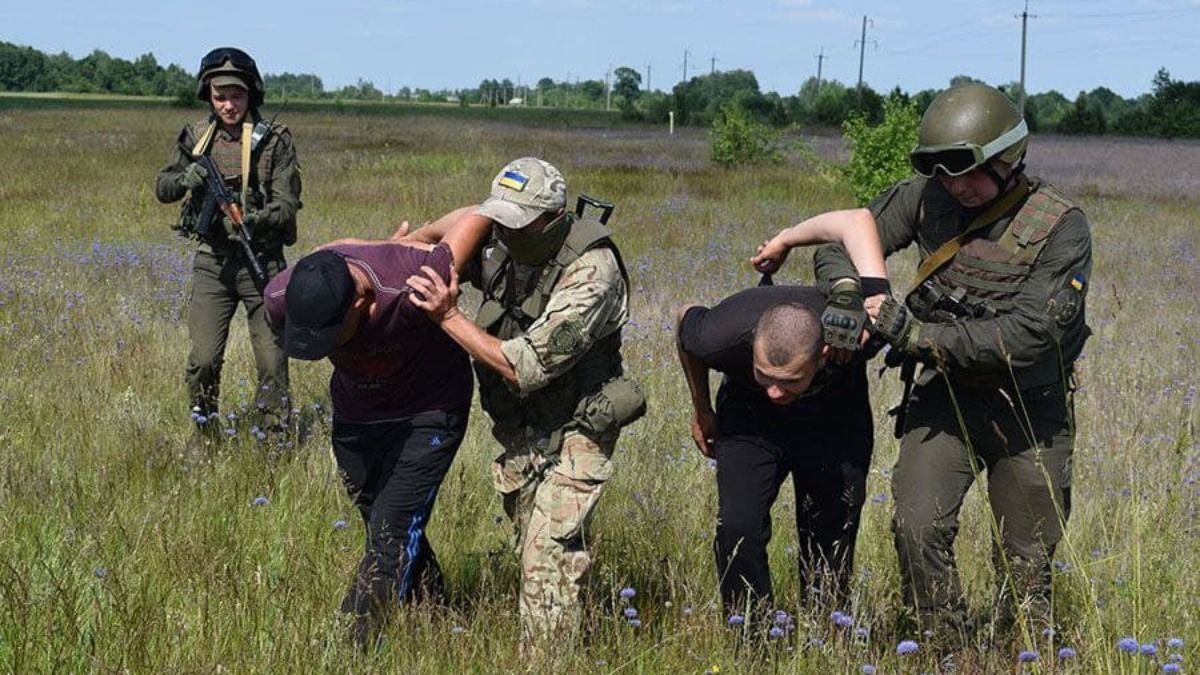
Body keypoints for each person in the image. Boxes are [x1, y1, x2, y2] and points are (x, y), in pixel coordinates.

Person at [812, 82, 1092, 643]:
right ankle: (947, 647)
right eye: (942, 170)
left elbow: (1031, 334)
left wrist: (913, 332)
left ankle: (1023, 651)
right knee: (916, 527)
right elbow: (843, 238)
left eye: (967, 171)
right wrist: (849, 291)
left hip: (1029, 409)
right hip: (945, 396)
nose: (954, 186)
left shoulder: (1061, 226)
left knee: (1028, 560)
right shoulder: (926, 197)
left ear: (1009, 160)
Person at [406, 157, 644, 654]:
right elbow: (466, 220)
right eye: (500, 218)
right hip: (522, 426)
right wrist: (421, 238)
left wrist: (448, 316)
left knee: (548, 559)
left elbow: (526, 365)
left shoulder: (592, 272)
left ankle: (545, 662)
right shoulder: (503, 236)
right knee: (534, 546)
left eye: (516, 221)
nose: (502, 231)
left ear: (552, 219)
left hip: (578, 423)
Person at [262, 213, 490, 647]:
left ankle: (353, 645)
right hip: (357, 412)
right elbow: (327, 255)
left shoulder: (409, 283)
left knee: (390, 529)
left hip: (430, 409)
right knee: (380, 520)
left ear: (360, 303)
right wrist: (369, 244)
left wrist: (419, 240)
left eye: (331, 335)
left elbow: (478, 215)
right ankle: (436, 613)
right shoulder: (281, 296)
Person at [675, 212, 889, 620]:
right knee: (737, 528)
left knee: (831, 534)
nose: (775, 391)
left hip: (833, 421)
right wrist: (702, 409)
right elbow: (685, 318)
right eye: (765, 376)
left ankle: (826, 629)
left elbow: (858, 219)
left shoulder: (857, 336)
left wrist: (789, 239)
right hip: (748, 421)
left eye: (788, 381)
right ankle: (750, 632)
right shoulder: (721, 334)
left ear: (824, 354)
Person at [155, 47, 302, 440]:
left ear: (250, 94)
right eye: (220, 96)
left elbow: (287, 205)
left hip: (263, 262)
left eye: (236, 95)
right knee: (203, 360)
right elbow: (163, 188)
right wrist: (187, 179)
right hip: (212, 264)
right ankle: (205, 435)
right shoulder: (195, 139)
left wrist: (254, 220)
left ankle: (273, 442)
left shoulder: (274, 142)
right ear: (208, 95)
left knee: (272, 363)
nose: (229, 104)